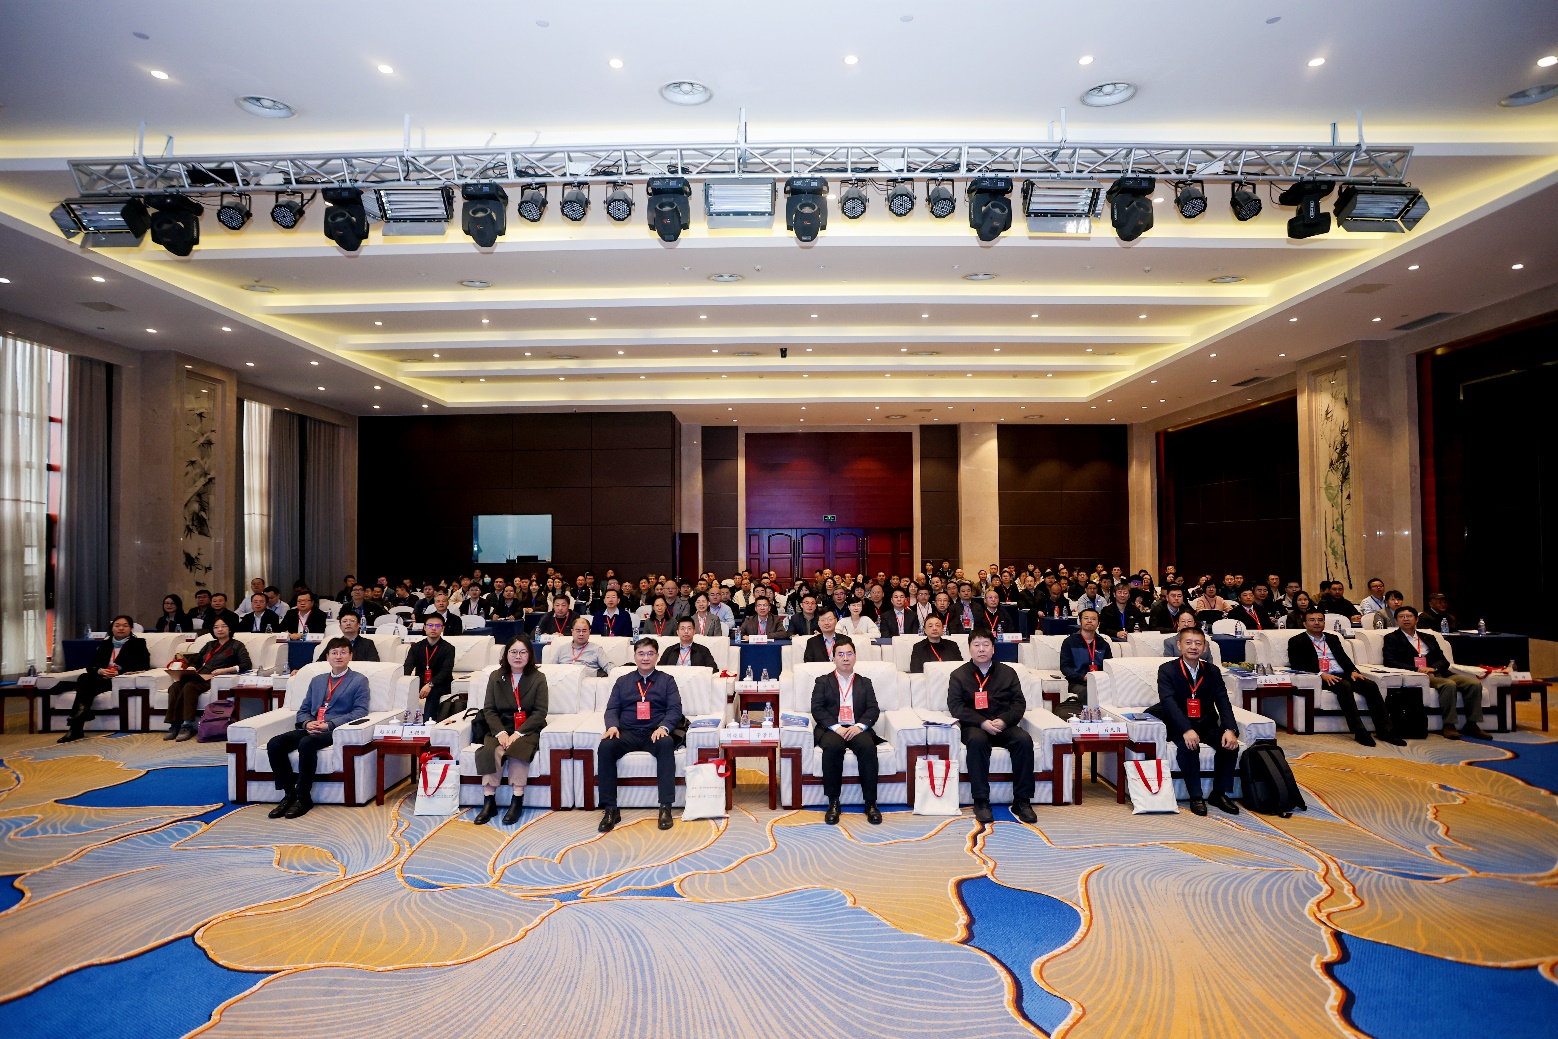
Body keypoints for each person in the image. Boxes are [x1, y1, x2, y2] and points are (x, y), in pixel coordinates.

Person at [266, 637, 371, 819]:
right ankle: (289, 793)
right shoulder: (317, 680)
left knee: (307, 744)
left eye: (343, 652)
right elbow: (304, 710)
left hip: (335, 729)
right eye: (334, 653)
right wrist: (307, 723)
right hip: (311, 726)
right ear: (327, 657)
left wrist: (329, 724)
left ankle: (303, 797)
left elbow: (360, 711)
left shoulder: (359, 680)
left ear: (350, 656)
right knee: (275, 743)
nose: (338, 656)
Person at [1148, 629, 1241, 817]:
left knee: (1230, 745)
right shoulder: (1167, 670)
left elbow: (1223, 702)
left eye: (1198, 643)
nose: (1193, 647)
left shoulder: (1212, 671)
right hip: (1178, 723)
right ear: (1179, 645)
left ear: (1204, 647)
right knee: (1189, 746)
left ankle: (1219, 793)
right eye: (1188, 642)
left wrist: (1229, 729)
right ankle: (1196, 796)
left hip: (1205, 722)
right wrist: (1186, 729)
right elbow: (1168, 703)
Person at [597, 638, 683, 833]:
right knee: (606, 746)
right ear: (634, 656)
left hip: (654, 733)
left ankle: (665, 807)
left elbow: (675, 709)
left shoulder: (667, 680)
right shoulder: (623, 681)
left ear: (657, 656)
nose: (646, 658)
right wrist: (612, 726)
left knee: (666, 743)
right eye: (641, 654)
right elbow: (612, 709)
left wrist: (664, 727)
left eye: (650, 653)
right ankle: (610, 809)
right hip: (627, 732)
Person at [949, 632, 1036, 824]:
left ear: (993, 648)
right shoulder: (958, 675)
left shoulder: (1008, 672)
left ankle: (1022, 801)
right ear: (969, 649)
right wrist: (981, 722)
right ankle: (981, 801)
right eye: (977, 645)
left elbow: (1019, 703)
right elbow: (956, 707)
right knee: (977, 741)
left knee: (1023, 740)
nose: (981, 649)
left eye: (986, 644)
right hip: (975, 726)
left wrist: (1004, 720)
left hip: (1003, 724)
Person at [1288, 608, 1402, 747]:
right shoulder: (1296, 641)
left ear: (1324, 622)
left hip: (1343, 674)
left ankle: (1385, 730)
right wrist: (1321, 674)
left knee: (1370, 685)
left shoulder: (1332, 638)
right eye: (1312, 620)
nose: (1316, 623)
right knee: (1344, 686)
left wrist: (1353, 671)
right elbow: (1297, 664)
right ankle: (1359, 731)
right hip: (1321, 677)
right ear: (1305, 623)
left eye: (1320, 620)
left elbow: (1343, 658)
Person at [473, 636, 549, 826]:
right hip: (500, 726)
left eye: (523, 652)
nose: (518, 656)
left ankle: (517, 800)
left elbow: (540, 712)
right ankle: (489, 801)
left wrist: (518, 734)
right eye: (513, 652)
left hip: (528, 728)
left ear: (530, 655)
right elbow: (489, 709)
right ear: (506, 654)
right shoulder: (496, 676)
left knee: (518, 751)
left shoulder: (538, 677)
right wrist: (500, 733)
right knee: (491, 751)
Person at [1383, 606, 1489, 740]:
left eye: (1409, 616)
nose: (1405, 619)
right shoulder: (1392, 638)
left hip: (1438, 671)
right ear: (1396, 620)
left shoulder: (1428, 637)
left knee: (1473, 684)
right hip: (1420, 675)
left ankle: (1472, 724)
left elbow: (1443, 660)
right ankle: (1449, 724)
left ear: (1416, 619)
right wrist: (1417, 669)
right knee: (1448, 684)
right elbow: (1390, 661)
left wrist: (1433, 668)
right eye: (1401, 617)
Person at [809, 636, 882, 825]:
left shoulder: (865, 682)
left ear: (855, 657)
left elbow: (873, 709)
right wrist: (836, 728)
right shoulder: (822, 681)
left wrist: (860, 726)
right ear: (833, 658)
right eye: (840, 654)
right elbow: (817, 708)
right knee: (833, 748)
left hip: (857, 728)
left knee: (868, 748)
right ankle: (833, 802)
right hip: (832, 728)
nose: (845, 658)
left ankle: (871, 803)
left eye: (849, 654)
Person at [58, 615, 150, 743]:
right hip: (101, 678)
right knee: (85, 678)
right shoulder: (106, 643)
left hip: (119, 679)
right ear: (112, 628)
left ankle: (75, 726)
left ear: (130, 628)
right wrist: (100, 670)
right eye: (117, 625)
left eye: (125, 626)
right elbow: (91, 665)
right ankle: (82, 715)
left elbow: (144, 665)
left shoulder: (138, 643)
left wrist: (119, 672)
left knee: (84, 684)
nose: (121, 628)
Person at [162, 617, 252, 741]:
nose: (220, 629)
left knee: (190, 687)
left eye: (223, 626)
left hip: (213, 678)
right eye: (216, 627)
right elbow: (196, 660)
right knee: (175, 687)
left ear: (230, 628)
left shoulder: (236, 645)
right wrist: (192, 667)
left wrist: (224, 670)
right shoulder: (210, 645)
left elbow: (246, 664)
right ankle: (174, 724)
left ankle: (187, 725)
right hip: (199, 676)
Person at [404, 614, 457, 720]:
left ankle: (428, 722)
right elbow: (407, 668)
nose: (433, 628)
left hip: (441, 684)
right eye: (430, 625)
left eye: (438, 626)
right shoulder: (416, 647)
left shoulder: (448, 648)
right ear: (424, 628)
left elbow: (446, 671)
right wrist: (404, 683)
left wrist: (430, 684)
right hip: (420, 682)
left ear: (443, 628)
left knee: (434, 691)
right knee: (406, 688)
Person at [1059, 608, 1111, 711]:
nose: (1089, 621)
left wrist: (1099, 678)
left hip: (1099, 681)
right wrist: (1083, 677)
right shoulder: (1070, 642)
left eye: (1093, 619)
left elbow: (1109, 666)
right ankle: (1089, 716)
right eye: (1086, 618)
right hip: (1077, 682)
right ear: (1080, 621)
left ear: (1098, 623)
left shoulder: (1103, 644)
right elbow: (1065, 667)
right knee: (1086, 691)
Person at [546, 618, 612, 674]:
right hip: (564, 680)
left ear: (589, 632)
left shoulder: (596, 649)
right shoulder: (562, 649)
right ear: (572, 631)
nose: (581, 634)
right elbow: (550, 668)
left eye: (584, 631)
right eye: (578, 631)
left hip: (586, 682)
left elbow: (609, 667)